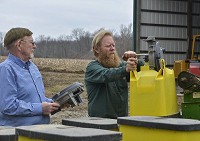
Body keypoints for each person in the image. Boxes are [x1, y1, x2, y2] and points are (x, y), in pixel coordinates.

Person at [0, 27, 60, 126]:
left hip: (41, 130)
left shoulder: (33, 68)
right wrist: (40, 108)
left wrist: (54, 103)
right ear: (19, 45)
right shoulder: (6, 69)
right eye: (32, 43)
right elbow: (8, 106)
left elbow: (35, 100)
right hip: (18, 133)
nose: (35, 46)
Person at [84, 29, 144, 119]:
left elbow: (142, 68)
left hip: (121, 121)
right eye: (108, 46)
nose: (112, 49)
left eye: (113, 45)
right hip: (99, 123)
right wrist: (126, 69)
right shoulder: (92, 68)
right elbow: (107, 75)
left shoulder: (120, 66)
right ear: (96, 49)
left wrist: (134, 59)